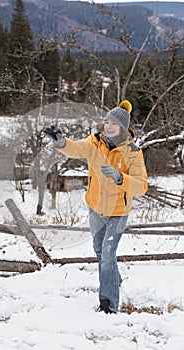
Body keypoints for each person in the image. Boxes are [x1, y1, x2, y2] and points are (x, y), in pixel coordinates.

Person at [43, 100, 148, 314]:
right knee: (99, 251)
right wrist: (62, 142)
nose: (108, 126)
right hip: (96, 207)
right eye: (107, 121)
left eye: (114, 124)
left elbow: (142, 186)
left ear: (123, 128)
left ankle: (108, 304)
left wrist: (120, 178)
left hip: (118, 212)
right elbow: (76, 148)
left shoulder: (133, 152)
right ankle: (113, 280)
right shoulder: (95, 142)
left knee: (108, 255)